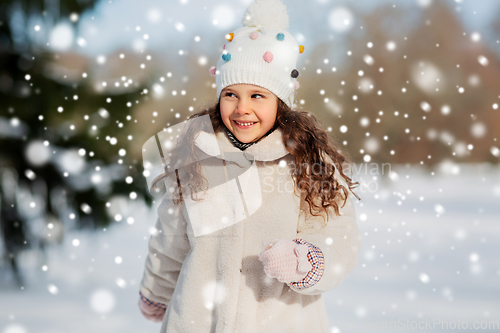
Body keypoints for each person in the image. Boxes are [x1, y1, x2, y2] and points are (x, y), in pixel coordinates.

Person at [138, 0, 362, 332]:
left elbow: (338, 238)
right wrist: (156, 292)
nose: (242, 108)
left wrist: (307, 261)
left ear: (280, 102)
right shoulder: (196, 158)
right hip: (198, 321)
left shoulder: (307, 163)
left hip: (281, 322)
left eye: (258, 96)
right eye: (231, 94)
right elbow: (170, 240)